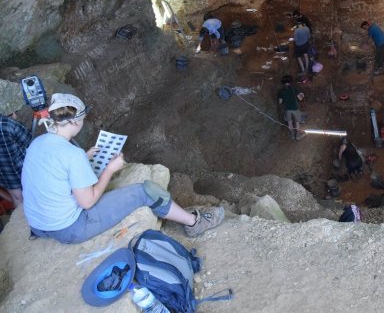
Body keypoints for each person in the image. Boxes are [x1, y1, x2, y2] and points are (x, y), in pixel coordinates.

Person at [21, 93, 224, 244]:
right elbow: (88, 202)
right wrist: (110, 169)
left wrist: (84, 156)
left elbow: (53, 168)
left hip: (39, 225)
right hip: (69, 228)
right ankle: (193, 223)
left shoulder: (37, 143)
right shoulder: (72, 156)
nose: (83, 123)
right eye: (82, 119)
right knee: (145, 191)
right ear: (74, 120)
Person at [0, 80, 31, 208]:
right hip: (22, 165)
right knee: (32, 192)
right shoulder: (8, 124)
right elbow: (29, 141)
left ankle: (23, 223)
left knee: (17, 197)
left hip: (4, 171)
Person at [277, 75, 305, 141]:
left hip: (287, 109)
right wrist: (302, 95)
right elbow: (300, 98)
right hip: (295, 108)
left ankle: (292, 135)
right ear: (290, 81)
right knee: (297, 122)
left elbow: (280, 102)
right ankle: (298, 136)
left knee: (289, 122)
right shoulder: (294, 89)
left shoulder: (281, 91)